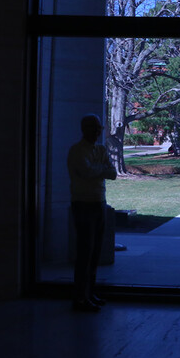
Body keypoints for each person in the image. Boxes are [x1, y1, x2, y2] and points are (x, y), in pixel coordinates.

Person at [66, 114, 117, 312]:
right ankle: (80, 297)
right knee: (84, 252)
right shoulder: (76, 151)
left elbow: (112, 173)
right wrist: (101, 169)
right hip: (82, 204)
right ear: (84, 129)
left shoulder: (101, 149)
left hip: (99, 203)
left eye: (99, 128)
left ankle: (90, 293)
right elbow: (86, 172)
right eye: (93, 128)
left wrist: (98, 170)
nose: (97, 132)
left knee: (95, 251)